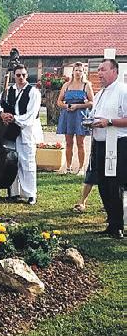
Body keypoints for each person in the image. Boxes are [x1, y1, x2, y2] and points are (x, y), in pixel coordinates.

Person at [0, 64, 42, 204]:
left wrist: (14, 119)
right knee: (11, 161)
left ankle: (30, 194)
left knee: (27, 163)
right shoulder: (8, 90)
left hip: (26, 132)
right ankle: (14, 193)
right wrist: (1, 114)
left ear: (27, 75)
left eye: (23, 75)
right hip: (9, 132)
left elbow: (31, 114)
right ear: (14, 76)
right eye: (18, 75)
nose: (21, 77)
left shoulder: (33, 92)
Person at [89, 59, 127, 239]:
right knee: (103, 184)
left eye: (103, 70)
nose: (99, 73)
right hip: (100, 143)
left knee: (114, 183)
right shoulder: (100, 93)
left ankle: (118, 225)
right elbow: (95, 115)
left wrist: (109, 122)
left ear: (114, 71)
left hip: (118, 143)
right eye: (98, 70)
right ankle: (111, 222)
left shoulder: (123, 91)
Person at [56, 62, 94, 173]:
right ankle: (68, 167)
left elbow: (92, 102)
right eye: (76, 70)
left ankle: (81, 168)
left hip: (80, 116)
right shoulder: (66, 85)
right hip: (68, 116)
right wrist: (66, 106)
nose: (78, 72)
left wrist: (78, 106)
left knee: (80, 143)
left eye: (80, 70)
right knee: (68, 142)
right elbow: (59, 101)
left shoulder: (86, 85)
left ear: (83, 72)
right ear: (72, 72)